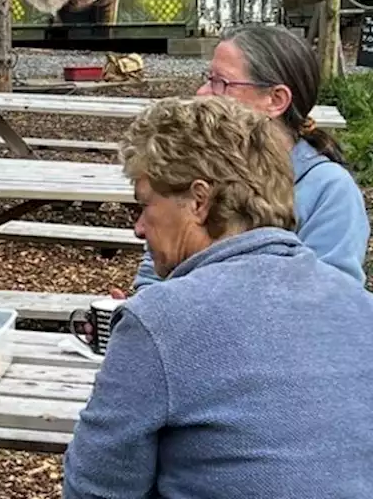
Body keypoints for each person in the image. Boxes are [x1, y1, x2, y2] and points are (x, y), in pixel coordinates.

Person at [63, 96, 373, 498]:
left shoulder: (161, 320)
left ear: (198, 200)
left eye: (143, 205)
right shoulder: (360, 308)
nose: (139, 228)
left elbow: (96, 489)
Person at [130, 24, 368, 293]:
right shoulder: (202, 165)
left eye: (220, 82)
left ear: (276, 99)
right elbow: (154, 272)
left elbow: (333, 303)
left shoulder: (329, 190)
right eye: (208, 79)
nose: (202, 93)